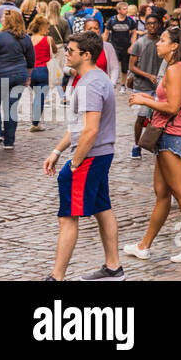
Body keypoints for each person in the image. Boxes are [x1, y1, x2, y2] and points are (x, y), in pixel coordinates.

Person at [122, 25, 181, 263]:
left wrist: (145, 100)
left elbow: (172, 107)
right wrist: (151, 98)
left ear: (174, 46)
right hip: (171, 134)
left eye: (162, 40)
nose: (157, 43)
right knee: (162, 194)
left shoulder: (174, 70)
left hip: (171, 135)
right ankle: (144, 245)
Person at [42, 30, 124, 281]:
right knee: (102, 207)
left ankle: (57, 277)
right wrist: (57, 150)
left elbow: (90, 129)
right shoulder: (94, 78)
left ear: (86, 55)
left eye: (70, 51)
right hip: (99, 154)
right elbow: (79, 125)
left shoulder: (90, 84)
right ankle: (113, 268)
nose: (65, 54)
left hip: (90, 157)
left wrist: (74, 163)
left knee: (67, 216)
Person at [0, 10, 34, 150]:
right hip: (20, 75)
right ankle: (9, 141)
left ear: (6, 21)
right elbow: (31, 60)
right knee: (11, 108)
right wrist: (28, 76)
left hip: (0, 76)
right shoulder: (25, 38)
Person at [127, 12, 164, 159]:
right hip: (142, 86)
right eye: (149, 24)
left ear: (159, 25)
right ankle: (137, 145)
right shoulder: (140, 43)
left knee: (157, 118)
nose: (152, 26)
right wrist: (148, 76)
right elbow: (132, 66)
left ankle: (155, 144)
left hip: (159, 87)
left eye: (154, 23)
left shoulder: (163, 42)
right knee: (141, 117)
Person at [27, 16, 53, 132]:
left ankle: (34, 121)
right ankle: (35, 123)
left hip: (31, 70)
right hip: (43, 70)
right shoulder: (48, 39)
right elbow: (55, 51)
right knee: (40, 97)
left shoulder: (28, 39)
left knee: (35, 95)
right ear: (43, 27)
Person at [106, 2, 137, 95]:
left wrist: (132, 46)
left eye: (126, 8)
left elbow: (134, 33)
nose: (126, 10)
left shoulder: (130, 21)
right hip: (114, 46)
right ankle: (111, 83)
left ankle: (123, 85)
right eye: (124, 9)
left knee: (124, 67)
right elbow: (106, 33)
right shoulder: (112, 20)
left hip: (126, 46)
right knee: (112, 66)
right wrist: (103, 45)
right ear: (118, 10)